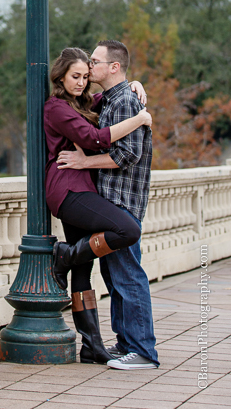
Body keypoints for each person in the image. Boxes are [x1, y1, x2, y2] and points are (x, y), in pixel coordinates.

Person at [44, 47, 152, 366]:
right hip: (67, 188)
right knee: (127, 230)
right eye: (74, 76)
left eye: (85, 76)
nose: (81, 82)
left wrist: (135, 84)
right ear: (60, 77)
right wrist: (140, 119)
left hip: (83, 186)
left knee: (83, 272)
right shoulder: (56, 108)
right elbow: (95, 139)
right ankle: (66, 254)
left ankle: (91, 345)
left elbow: (113, 92)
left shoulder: (84, 102)